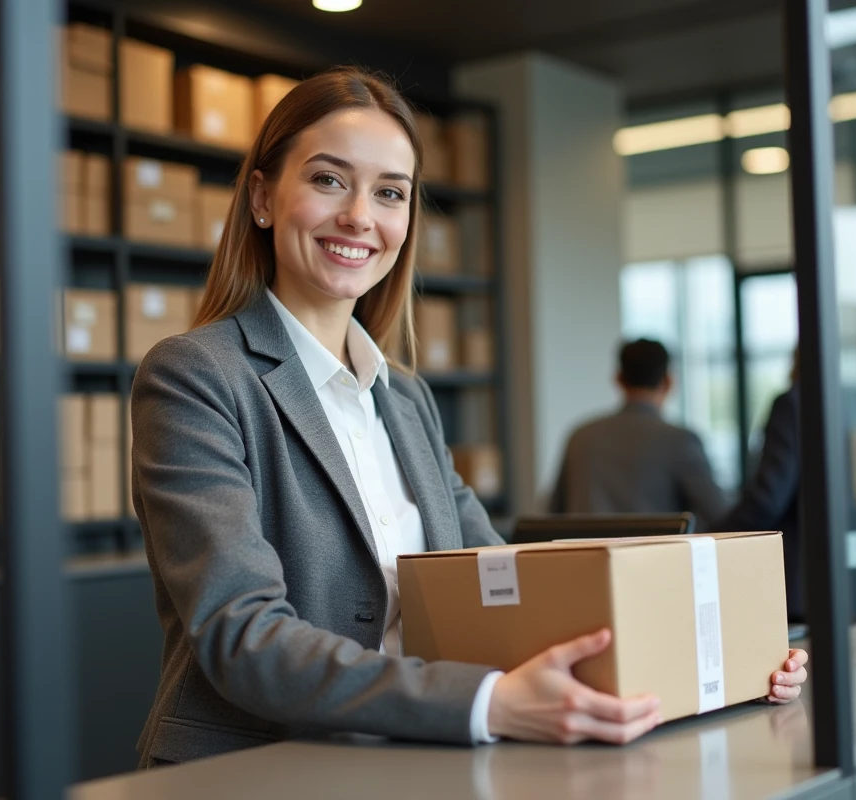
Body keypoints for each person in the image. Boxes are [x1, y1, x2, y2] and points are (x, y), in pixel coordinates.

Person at [130, 67, 808, 768]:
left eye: (390, 192)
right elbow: (241, 636)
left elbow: (503, 585)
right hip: (261, 770)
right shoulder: (197, 376)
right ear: (263, 197)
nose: (361, 216)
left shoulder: (403, 398)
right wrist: (489, 702)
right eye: (329, 180)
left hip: (416, 763)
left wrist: (730, 654)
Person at [549, 338, 729, 530]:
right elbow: (719, 515)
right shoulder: (680, 441)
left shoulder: (581, 437)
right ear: (669, 381)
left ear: (618, 378)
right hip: (656, 559)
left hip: (584, 559)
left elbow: (554, 513)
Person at [710, 354, 802, 621]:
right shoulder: (850, 401)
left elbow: (768, 497)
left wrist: (716, 537)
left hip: (796, 580)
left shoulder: (791, 404)